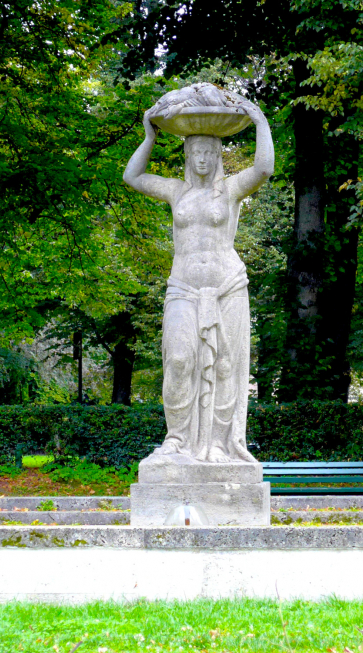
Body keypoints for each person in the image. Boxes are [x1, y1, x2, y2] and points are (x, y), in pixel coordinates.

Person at [123, 98, 274, 463]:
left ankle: (220, 444)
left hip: (227, 286)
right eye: (195, 152)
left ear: (218, 154)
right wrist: (149, 135)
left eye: (208, 151)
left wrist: (260, 122)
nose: (202, 158)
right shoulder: (177, 191)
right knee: (178, 360)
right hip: (184, 288)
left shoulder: (232, 189)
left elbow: (264, 168)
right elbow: (132, 177)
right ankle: (176, 439)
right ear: (188, 157)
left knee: (224, 366)